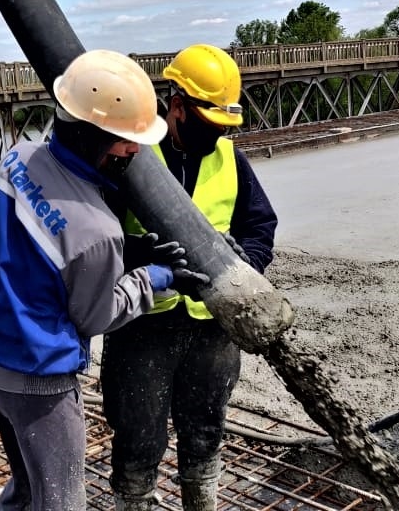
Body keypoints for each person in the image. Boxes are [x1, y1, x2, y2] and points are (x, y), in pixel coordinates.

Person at [0, 49, 208, 511]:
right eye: (124, 140)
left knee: (25, 486)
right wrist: (156, 276)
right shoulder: (97, 231)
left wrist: (128, 252)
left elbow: (36, 238)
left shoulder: (16, 159)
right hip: (39, 376)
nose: (135, 151)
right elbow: (97, 316)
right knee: (61, 501)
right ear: (88, 134)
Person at [100, 44, 278, 510]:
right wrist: (145, 257)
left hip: (210, 325)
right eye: (208, 125)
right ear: (176, 105)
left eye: (223, 127)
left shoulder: (229, 160)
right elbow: (96, 239)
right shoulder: (132, 157)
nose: (215, 135)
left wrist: (245, 266)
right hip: (143, 323)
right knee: (138, 433)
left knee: (205, 427)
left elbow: (260, 227)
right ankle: (134, 501)